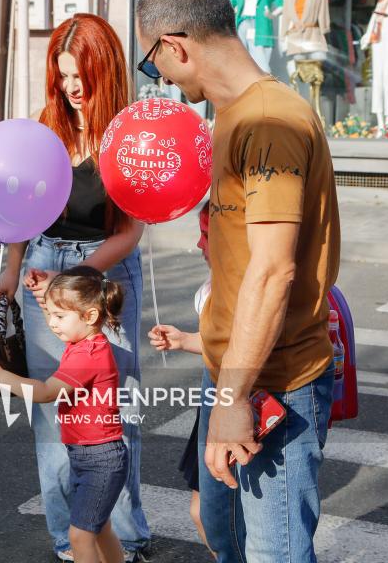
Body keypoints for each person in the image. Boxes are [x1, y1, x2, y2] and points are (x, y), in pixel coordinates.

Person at [135, 0, 340, 562]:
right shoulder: (230, 118)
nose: (161, 79)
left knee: (272, 553)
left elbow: (274, 273)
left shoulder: (268, 120)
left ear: (175, 46)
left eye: (154, 65)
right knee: (226, 536)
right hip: (231, 373)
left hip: (270, 382)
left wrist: (232, 400)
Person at [0, 13, 150, 562]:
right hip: (42, 263)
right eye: (63, 75)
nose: (72, 87)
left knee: (112, 412)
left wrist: (71, 280)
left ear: (106, 71)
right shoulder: (46, 127)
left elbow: (130, 230)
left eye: (82, 74)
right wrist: (12, 269)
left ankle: (123, 540)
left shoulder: (127, 136)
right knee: (54, 414)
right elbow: (19, 208)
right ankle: (70, 542)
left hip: (103, 269)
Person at [0, 267, 129, 563]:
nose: (52, 323)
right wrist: (48, 298)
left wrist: (0, 375)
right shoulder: (83, 342)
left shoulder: (88, 355)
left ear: (90, 317)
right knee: (99, 529)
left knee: (80, 536)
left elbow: (47, 392)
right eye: (50, 313)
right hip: (89, 455)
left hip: (100, 458)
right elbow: (62, 311)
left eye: (60, 316)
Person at [147, 204, 214, 557]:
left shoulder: (243, 284)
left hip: (233, 401)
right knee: (204, 512)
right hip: (215, 396)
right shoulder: (217, 281)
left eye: (207, 236)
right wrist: (184, 340)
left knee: (213, 514)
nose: (199, 245)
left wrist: (187, 341)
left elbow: (236, 345)